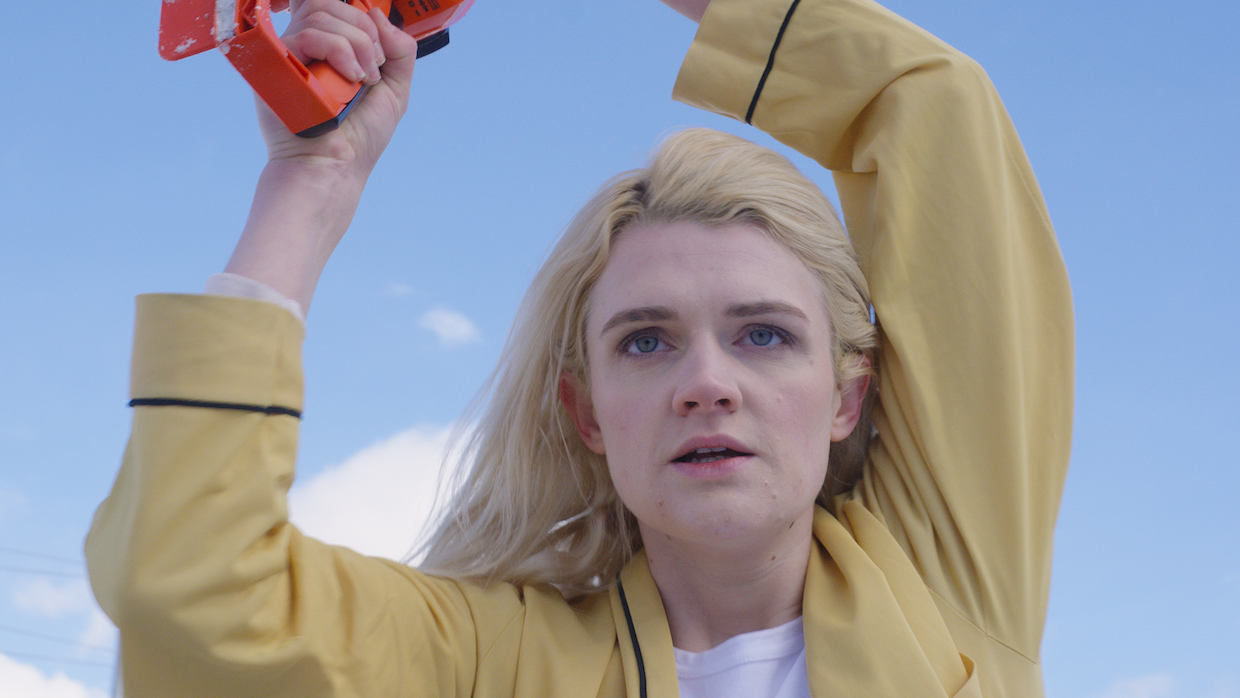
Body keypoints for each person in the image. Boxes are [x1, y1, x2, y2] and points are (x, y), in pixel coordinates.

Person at [86, 0, 1073, 696]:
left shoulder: (947, 589)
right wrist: (311, 184)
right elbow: (186, 589)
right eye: (646, 341)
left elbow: (940, 110)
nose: (707, 385)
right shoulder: (490, 659)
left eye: (763, 334)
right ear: (585, 410)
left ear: (847, 394)